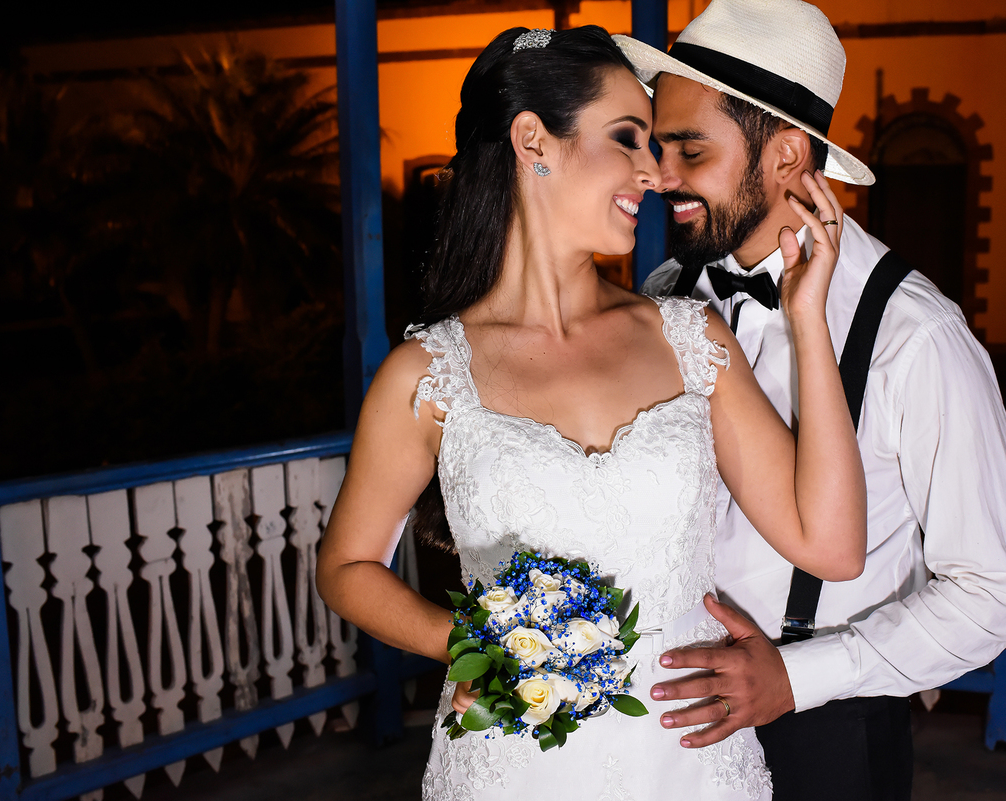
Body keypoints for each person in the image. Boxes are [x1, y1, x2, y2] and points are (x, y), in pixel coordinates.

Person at [316, 25, 868, 800]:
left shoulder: (690, 339)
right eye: (627, 139)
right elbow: (346, 567)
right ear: (533, 140)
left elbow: (834, 546)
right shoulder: (430, 373)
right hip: (511, 764)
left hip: (691, 768)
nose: (653, 170)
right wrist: (468, 642)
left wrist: (809, 320)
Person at [616, 2, 1006, 799]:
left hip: (827, 732)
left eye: (690, 150)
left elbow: (997, 589)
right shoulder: (666, 295)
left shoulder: (916, 336)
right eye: (657, 145)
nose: (659, 176)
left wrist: (801, 675)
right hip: (665, 713)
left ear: (786, 155)